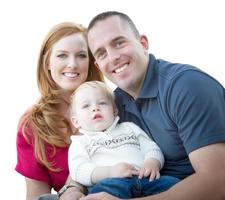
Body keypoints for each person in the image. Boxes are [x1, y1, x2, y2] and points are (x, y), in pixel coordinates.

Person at [81, 11, 225, 200]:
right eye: (101, 53)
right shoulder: (114, 104)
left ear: (143, 44)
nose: (113, 57)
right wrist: (72, 188)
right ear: (99, 66)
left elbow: (218, 182)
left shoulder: (187, 86)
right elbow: (90, 147)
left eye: (119, 43)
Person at [15, 22, 104, 200]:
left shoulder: (112, 106)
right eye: (62, 55)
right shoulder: (32, 125)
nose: (72, 64)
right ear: (47, 62)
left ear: (91, 62)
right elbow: (37, 196)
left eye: (81, 55)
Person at [68, 81, 179, 199]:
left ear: (114, 111)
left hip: (146, 178)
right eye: (86, 106)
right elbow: (79, 170)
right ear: (76, 121)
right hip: (112, 184)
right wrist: (110, 172)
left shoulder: (129, 127)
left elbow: (151, 147)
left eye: (102, 103)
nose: (95, 108)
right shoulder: (80, 143)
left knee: (174, 184)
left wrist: (152, 162)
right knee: (98, 194)